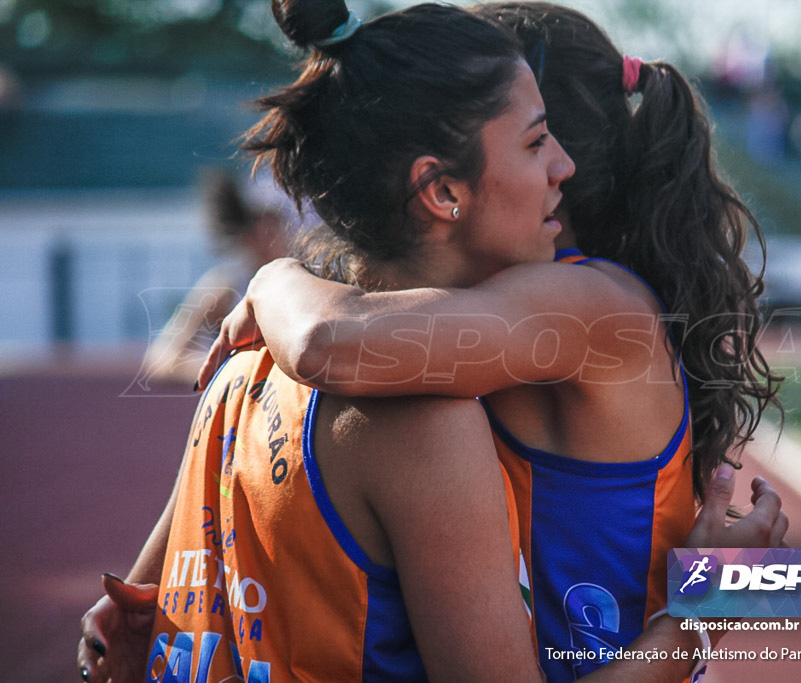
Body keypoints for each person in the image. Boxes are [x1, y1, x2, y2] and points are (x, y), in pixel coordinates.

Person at [77, 1, 723, 680]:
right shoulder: (426, 417)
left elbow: (143, 598)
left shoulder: (249, 364)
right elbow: (332, 339)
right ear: (442, 188)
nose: (557, 163)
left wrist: (270, 280)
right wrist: (707, 608)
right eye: (535, 141)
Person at [139, 168, 290, 387]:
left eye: (282, 222)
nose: (284, 231)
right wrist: (234, 371)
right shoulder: (225, 286)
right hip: (239, 413)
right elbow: (163, 359)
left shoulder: (305, 282)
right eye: (271, 223)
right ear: (250, 232)